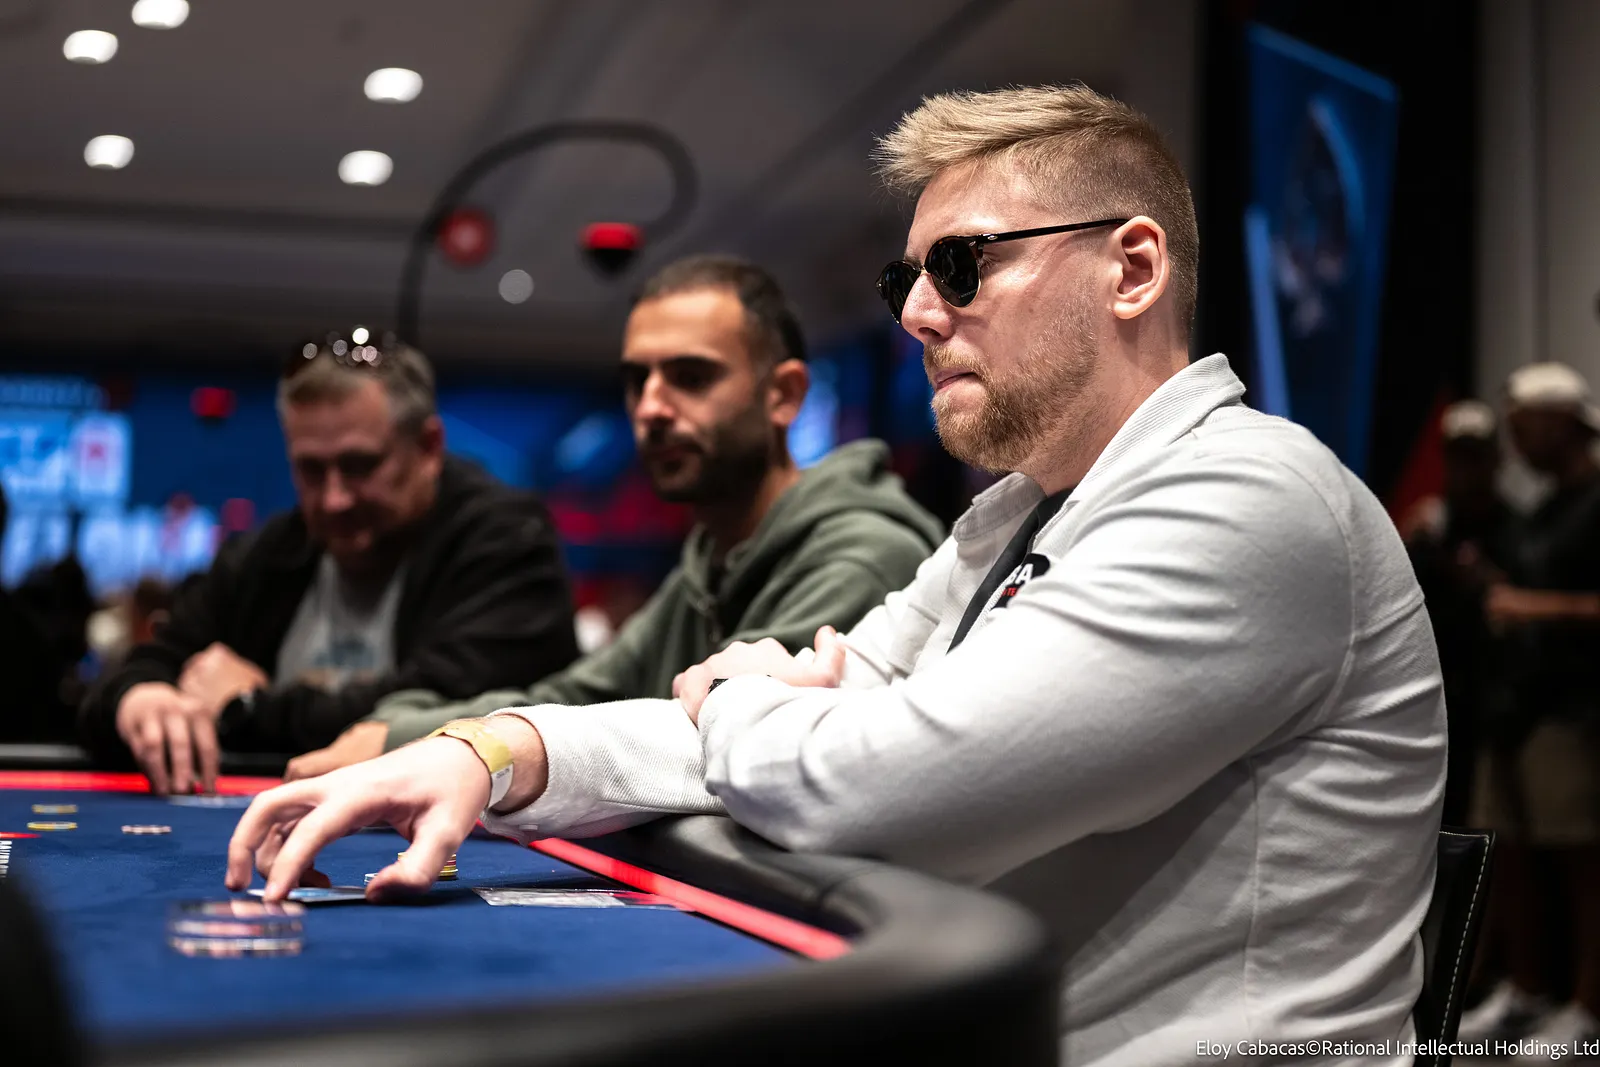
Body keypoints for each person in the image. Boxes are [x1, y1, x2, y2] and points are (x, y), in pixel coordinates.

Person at [227, 86, 1445, 1064]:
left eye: (960, 265)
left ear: (1130, 270)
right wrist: (491, 751)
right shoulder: (1017, 512)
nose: (916, 313)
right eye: (906, 278)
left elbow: (887, 789)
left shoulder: (1246, 496)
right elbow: (832, 730)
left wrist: (746, 695)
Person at [282, 255, 943, 780]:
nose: (650, 407)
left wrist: (412, 738)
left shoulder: (862, 554)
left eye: (690, 376)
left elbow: (701, 743)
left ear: (785, 394)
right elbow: (578, 696)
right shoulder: (709, 558)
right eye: (637, 380)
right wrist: (403, 727)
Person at [79, 335, 579, 793]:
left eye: (360, 466)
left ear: (428, 448)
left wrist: (246, 708)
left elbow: (443, 714)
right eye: (311, 470)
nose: (334, 498)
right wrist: (139, 698)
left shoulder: (508, 541)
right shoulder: (270, 552)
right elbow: (141, 671)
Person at [1459, 362, 1600, 1051]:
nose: (1515, 443)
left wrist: (1532, 606)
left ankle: (1588, 1006)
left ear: (1564, 421)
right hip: (1517, 706)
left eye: (1524, 427)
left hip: (1573, 711)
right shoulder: (1544, 508)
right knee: (1511, 854)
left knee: (1579, 860)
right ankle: (1529, 989)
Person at [1402, 400, 1516, 825]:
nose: (1466, 468)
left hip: (1496, 706)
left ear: (1495, 458)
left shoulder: (1518, 529)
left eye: (1475, 455)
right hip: (1433, 698)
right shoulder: (1427, 527)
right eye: (1457, 456)